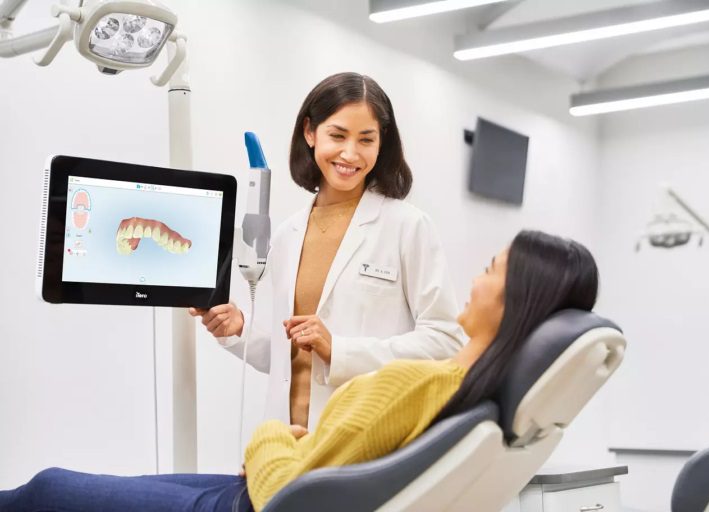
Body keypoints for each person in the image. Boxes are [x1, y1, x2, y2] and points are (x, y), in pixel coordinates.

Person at [0, 230, 600, 512]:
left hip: (259, 497)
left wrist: (270, 441)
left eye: (491, 268)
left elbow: (288, 496)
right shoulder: (469, 395)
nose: (476, 276)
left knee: (48, 489)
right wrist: (243, 335)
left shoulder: (416, 383)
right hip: (277, 477)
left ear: (517, 297)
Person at [190, 72, 465, 429]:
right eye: (337, 135)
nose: (350, 153)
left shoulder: (407, 227)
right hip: (288, 443)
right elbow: (290, 359)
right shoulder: (289, 234)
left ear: (382, 145)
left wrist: (340, 350)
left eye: (366, 140)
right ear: (310, 132)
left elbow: (446, 342)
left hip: (361, 441)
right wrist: (239, 329)